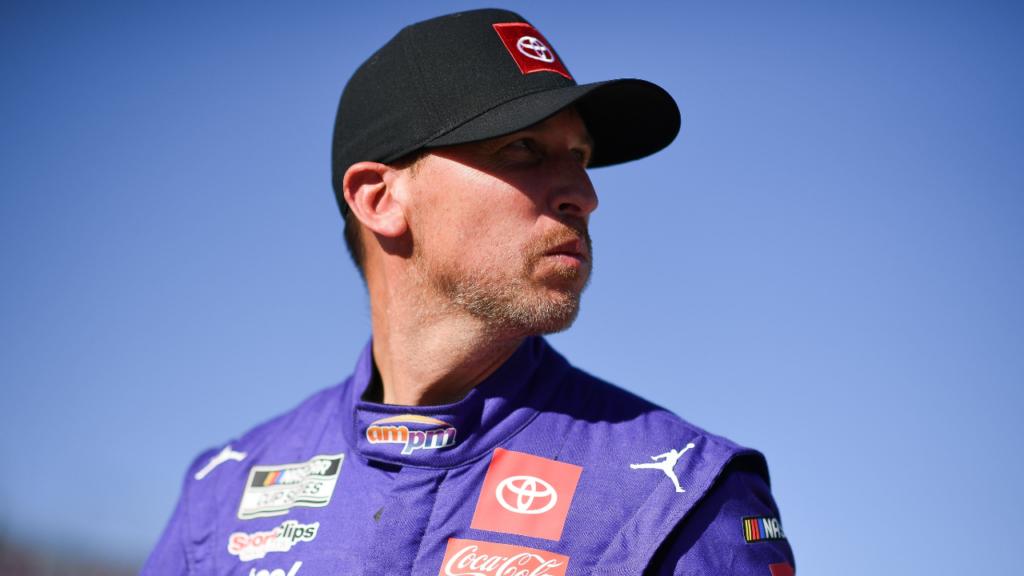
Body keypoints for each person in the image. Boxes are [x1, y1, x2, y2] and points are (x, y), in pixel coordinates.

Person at [142, 9, 796, 576]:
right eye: (524, 147)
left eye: (581, 155)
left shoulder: (682, 496)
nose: (584, 194)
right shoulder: (221, 497)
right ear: (381, 199)